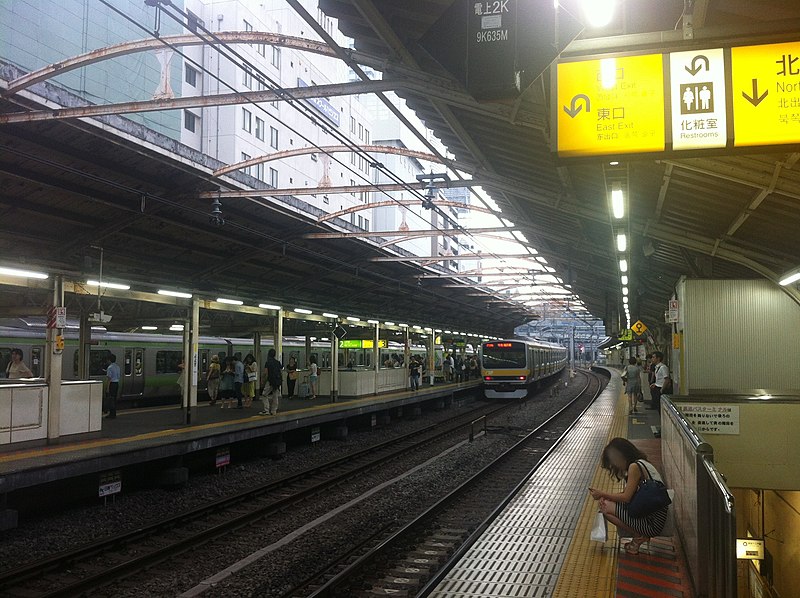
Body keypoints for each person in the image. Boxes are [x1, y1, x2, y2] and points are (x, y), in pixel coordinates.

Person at [590, 437, 668, 554]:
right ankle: (639, 536)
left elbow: (626, 498)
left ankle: (639, 536)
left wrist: (602, 494)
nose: (614, 466)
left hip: (652, 523)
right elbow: (629, 495)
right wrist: (607, 496)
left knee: (605, 507)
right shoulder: (641, 463)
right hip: (654, 517)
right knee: (607, 503)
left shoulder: (634, 467)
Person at [259, 348, 283, 416]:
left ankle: (266, 410)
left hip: (270, 381)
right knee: (275, 396)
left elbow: (265, 373)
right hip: (277, 381)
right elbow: (280, 372)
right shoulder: (278, 362)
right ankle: (274, 410)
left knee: (264, 394)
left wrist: (262, 380)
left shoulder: (268, 362)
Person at [104, 354, 120, 419]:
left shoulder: (110, 367)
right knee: (114, 399)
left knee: (110, 399)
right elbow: (118, 376)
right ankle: (114, 413)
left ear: (109, 360)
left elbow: (109, 379)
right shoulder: (117, 367)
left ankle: (111, 414)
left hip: (112, 384)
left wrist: (107, 388)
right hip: (116, 384)